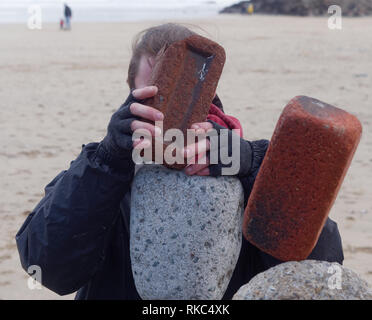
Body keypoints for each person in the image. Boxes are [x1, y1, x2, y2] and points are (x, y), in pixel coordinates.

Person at [15, 23, 344, 299]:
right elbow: (46, 266)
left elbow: (323, 267)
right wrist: (109, 159)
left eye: (177, 97)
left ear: (210, 100)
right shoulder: (100, 171)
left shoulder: (244, 165)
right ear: (129, 97)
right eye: (149, 97)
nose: (162, 115)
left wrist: (254, 164)